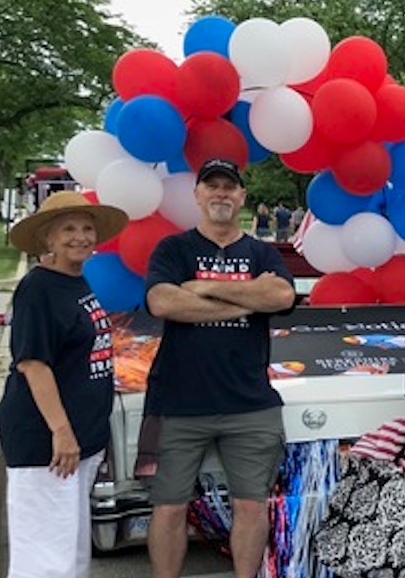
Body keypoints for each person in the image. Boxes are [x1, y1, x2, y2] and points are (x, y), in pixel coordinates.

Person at [142, 159, 297, 578]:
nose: (221, 194)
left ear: (242, 196)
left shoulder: (261, 251)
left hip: (250, 404)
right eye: (212, 186)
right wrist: (249, 298)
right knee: (169, 506)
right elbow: (162, 302)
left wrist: (207, 287)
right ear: (197, 194)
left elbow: (282, 295)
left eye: (230, 187)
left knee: (250, 504)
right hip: (178, 401)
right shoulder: (174, 249)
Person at [0, 191, 128, 578]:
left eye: (87, 228)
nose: (81, 237)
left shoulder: (76, 282)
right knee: (44, 554)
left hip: (80, 440)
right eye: (68, 229)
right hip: (47, 443)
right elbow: (33, 364)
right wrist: (62, 431)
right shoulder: (38, 289)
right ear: (47, 240)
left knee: (70, 549)